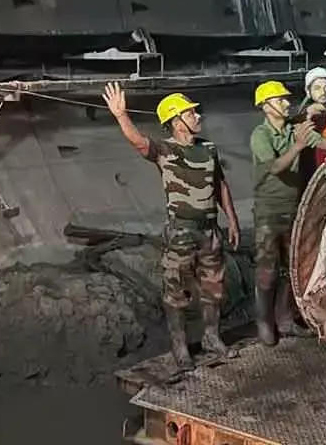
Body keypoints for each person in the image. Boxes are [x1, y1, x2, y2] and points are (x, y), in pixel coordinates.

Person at [102, 83, 240, 369]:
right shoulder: (165, 150)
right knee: (176, 290)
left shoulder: (209, 149)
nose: (198, 117)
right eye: (191, 114)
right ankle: (179, 347)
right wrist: (121, 116)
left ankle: (212, 338)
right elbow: (139, 143)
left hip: (210, 230)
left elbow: (220, 184)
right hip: (182, 231)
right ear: (177, 122)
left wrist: (232, 220)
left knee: (213, 287)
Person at [248, 80, 326, 345]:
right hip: (268, 212)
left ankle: (286, 319)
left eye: (286, 99)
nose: (286, 103)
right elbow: (275, 167)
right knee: (267, 270)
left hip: (294, 210)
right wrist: (297, 146)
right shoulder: (260, 135)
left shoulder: (293, 129)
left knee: (291, 267)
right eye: (280, 100)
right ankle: (264, 322)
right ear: (266, 106)